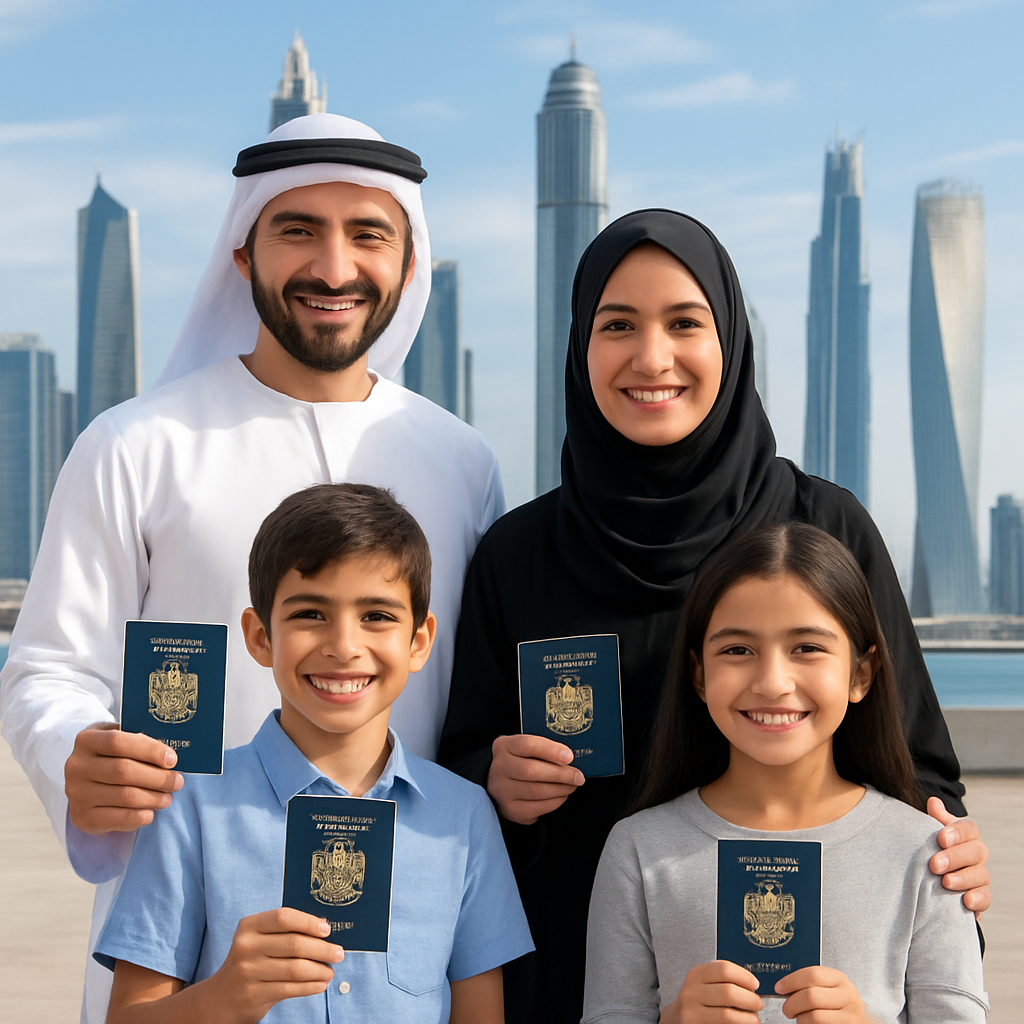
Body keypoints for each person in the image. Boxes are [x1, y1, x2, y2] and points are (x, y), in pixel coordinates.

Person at [0, 113, 503, 1023]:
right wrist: (76, 748)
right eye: (298, 229)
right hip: (178, 935)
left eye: (368, 234)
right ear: (243, 254)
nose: (334, 266)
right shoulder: (133, 445)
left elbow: (474, 689)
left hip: (405, 947)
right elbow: (49, 668)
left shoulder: (463, 462)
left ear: (407, 263)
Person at [438, 209, 990, 1024]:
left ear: (730, 341)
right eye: (616, 324)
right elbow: (447, 769)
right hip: (563, 966)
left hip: (806, 989)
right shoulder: (518, 552)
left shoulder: (821, 527)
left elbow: (915, 771)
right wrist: (492, 777)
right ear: (578, 347)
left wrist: (950, 868)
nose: (650, 357)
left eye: (684, 323)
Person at [95, 483, 533, 1024]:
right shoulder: (189, 807)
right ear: (259, 637)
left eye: (377, 615)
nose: (344, 646)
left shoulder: (463, 816)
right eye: (310, 614)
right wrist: (223, 998)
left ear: (419, 641)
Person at [582, 522, 987, 1023]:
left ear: (862, 673)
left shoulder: (926, 854)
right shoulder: (638, 850)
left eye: (807, 648)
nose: (773, 683)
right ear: (699, 676)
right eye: (737, 650)